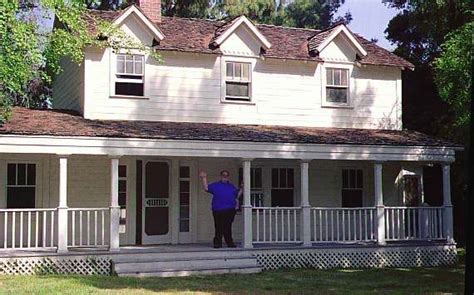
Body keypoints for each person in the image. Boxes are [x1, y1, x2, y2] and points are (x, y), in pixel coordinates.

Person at [199, 169, 242, 248]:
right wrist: (204, 178)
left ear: (228, 177)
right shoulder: (216, 185)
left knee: (228, 227)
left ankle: (229, 243)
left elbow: (237, 195)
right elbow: (206, 188)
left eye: (226, 175)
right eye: (223, 175)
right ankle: (217, 243)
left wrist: (242, 188)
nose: (225, 177)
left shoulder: (231, 186)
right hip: (218, 209)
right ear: (221, 176)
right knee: (219, 226)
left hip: (230, 209)